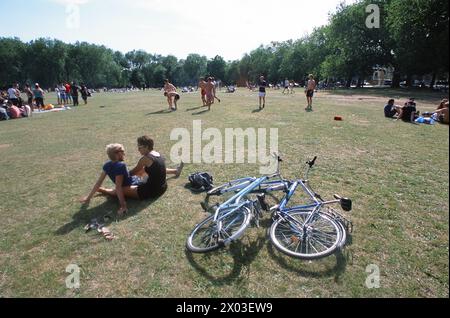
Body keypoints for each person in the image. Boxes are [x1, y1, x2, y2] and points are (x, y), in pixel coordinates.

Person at [92, 136, 184, 211]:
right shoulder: (156, 153)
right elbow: (161, 169)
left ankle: (102, 190)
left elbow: (133, 172)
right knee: (148, 169)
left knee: (119, 190)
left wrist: (122, 173)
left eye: (140, 147)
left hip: (152, 191)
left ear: (147, 147)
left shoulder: (145, 159)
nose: (138, 150)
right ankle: (175, 171)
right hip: (163, 186)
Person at [80, 144, 141, 216]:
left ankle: (102, 190)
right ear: (117, 153)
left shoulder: (107, 165)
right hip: (131, 185)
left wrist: (88, 198)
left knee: (115, 190)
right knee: (143, 171)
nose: (124, 153)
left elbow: (99, 182)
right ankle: (104, 190)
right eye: (123, 151)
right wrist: (123, 206)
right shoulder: (121, 166)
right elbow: (118, 187)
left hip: (126, 184)